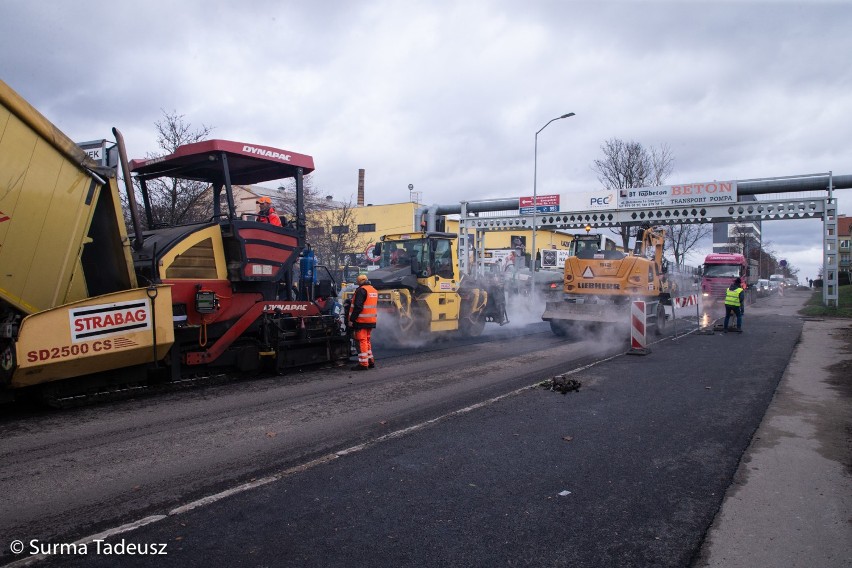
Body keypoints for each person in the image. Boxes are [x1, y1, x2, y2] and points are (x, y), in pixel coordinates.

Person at [348, 274, 378, 370]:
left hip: (361, 320)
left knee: (362, 341)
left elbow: (358, 307)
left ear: (359, 282)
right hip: (371, 320)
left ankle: (363, 364)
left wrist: (352, 319)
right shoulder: (373, 290)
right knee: (367, 340)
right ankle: (370, 361)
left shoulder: (361, 290)